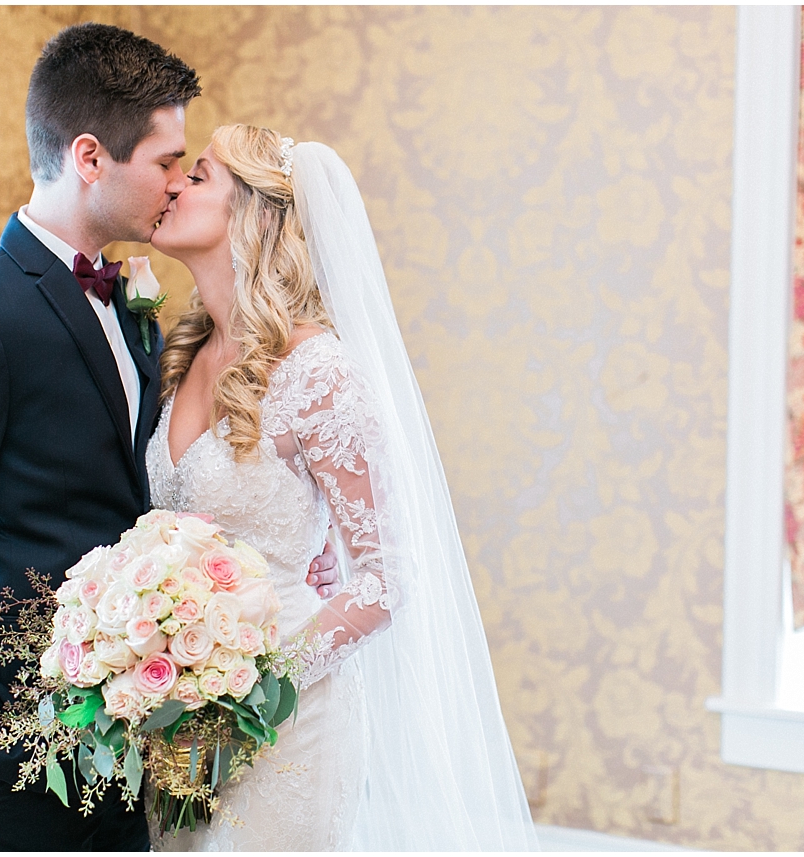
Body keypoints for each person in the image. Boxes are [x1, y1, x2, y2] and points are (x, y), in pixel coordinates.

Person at [0, 26, 338, 851]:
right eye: (164, 162)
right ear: (89, 158)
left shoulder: (142, 313)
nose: (177, 183)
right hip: (10, 739)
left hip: (120, 733)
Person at [146, 124, 538, 850]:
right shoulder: (181, 350)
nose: (172, 184)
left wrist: (252, 692)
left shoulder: (319, 370)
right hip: (178, 718)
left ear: (257, 215)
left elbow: (388, 578)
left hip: (287, 721)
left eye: (198, 175)